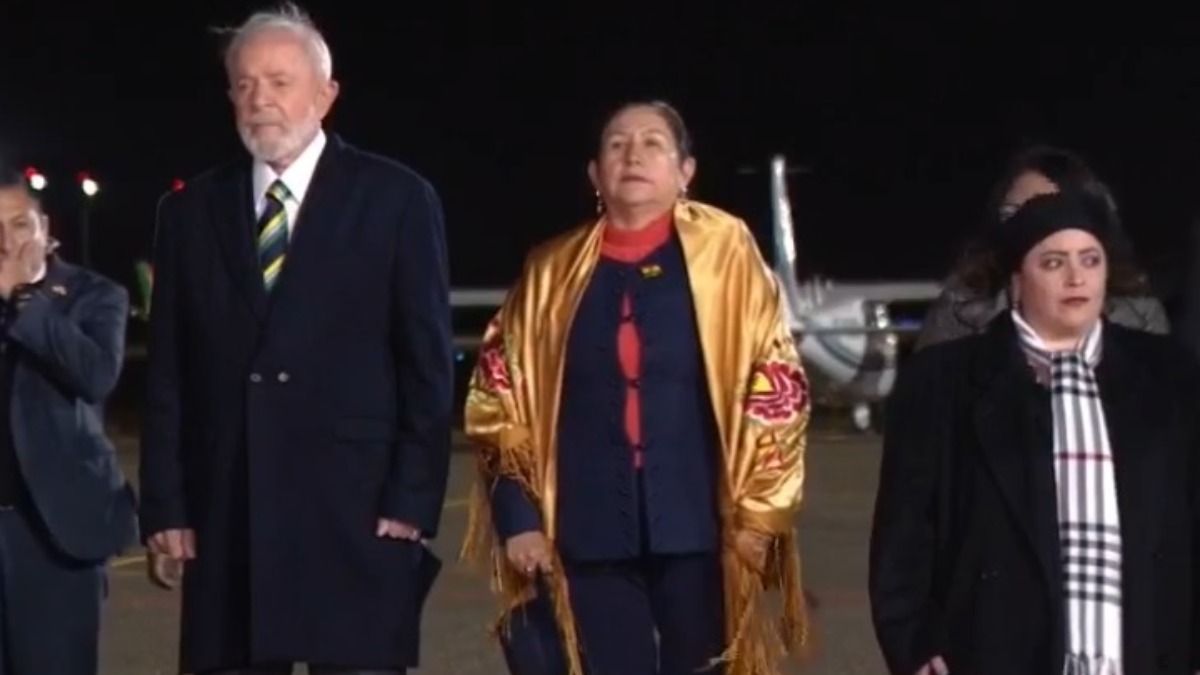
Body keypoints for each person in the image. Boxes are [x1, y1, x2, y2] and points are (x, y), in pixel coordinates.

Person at [138, 5, 452, 675]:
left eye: (279, 82)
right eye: (245, 84)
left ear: (325, 93)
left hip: (358, 511)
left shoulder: (396, 199)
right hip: (230, 513)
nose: (261, 100)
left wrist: (413, 497)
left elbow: (425, 364)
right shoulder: (190, 212)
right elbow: (168, 372)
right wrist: (167, 501)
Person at [460, 100, 812, 675]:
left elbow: (775, 385)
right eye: (617, 144)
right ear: (595, 174)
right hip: (588, 530)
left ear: (685, 171)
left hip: (702, 528)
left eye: (652, 143)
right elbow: (501, 396)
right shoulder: (549, 272)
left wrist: (759, 513)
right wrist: (519, 516)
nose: (634, 155)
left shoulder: (728, 257)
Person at [869, 190, 1200, 674]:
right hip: (993, 649)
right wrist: (914, 644)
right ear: (1017, 279)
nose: (1076, 277)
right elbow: (903, 532)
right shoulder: (943, 383)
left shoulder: (1169, 375)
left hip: (1144, 650)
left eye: (1090, 260)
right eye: (1053, 262)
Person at [0, 166, 137, 673]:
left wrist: (25, 300)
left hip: (54, 533)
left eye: (18, 224)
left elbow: (95, 375)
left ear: (44, 227)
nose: (6, 242)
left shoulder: (94, 296)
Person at [914, 144, 1168, 351]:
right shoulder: (961, 310)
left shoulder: (1138, 315)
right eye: (1012, 214)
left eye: (1042, 214)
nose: (1024, 229)